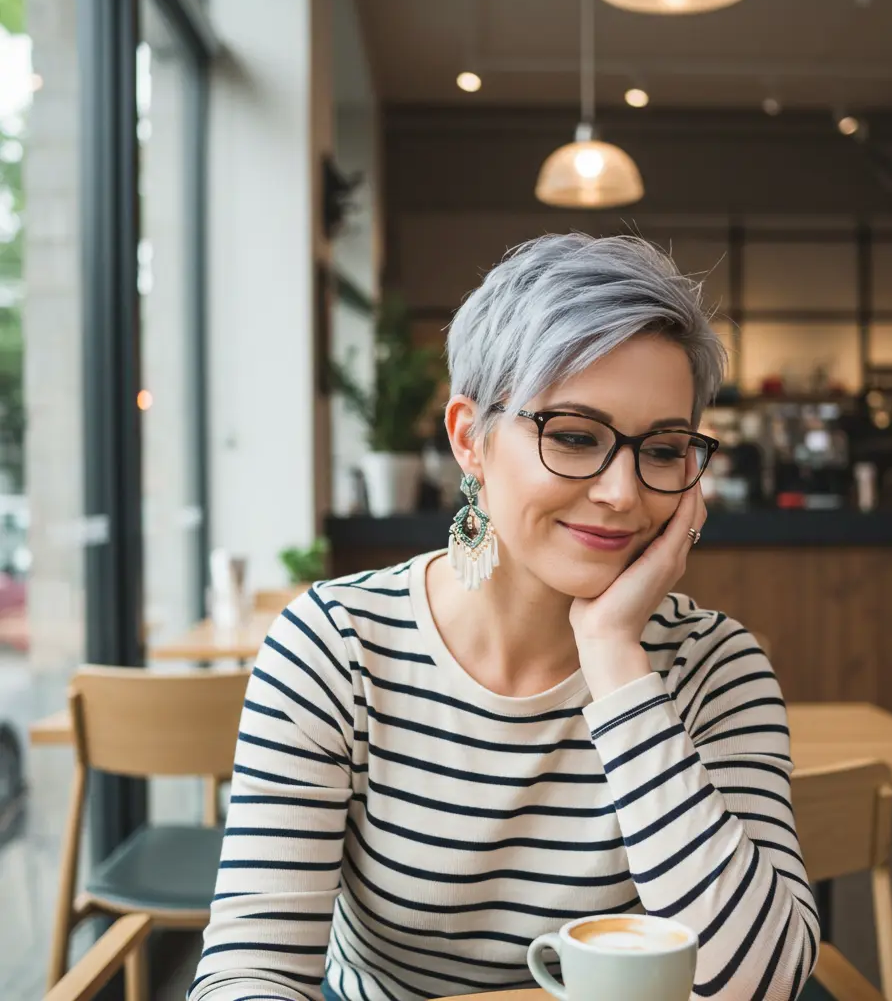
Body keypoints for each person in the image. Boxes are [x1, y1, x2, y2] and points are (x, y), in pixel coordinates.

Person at [189, 234, 819, 1001]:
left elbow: (765, 984)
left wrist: (616, 656)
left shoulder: (715, 665)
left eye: (662, 449)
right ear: (469, 440)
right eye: (575, 436)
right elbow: (250, 971)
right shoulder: (336, 649)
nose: (623, 492)